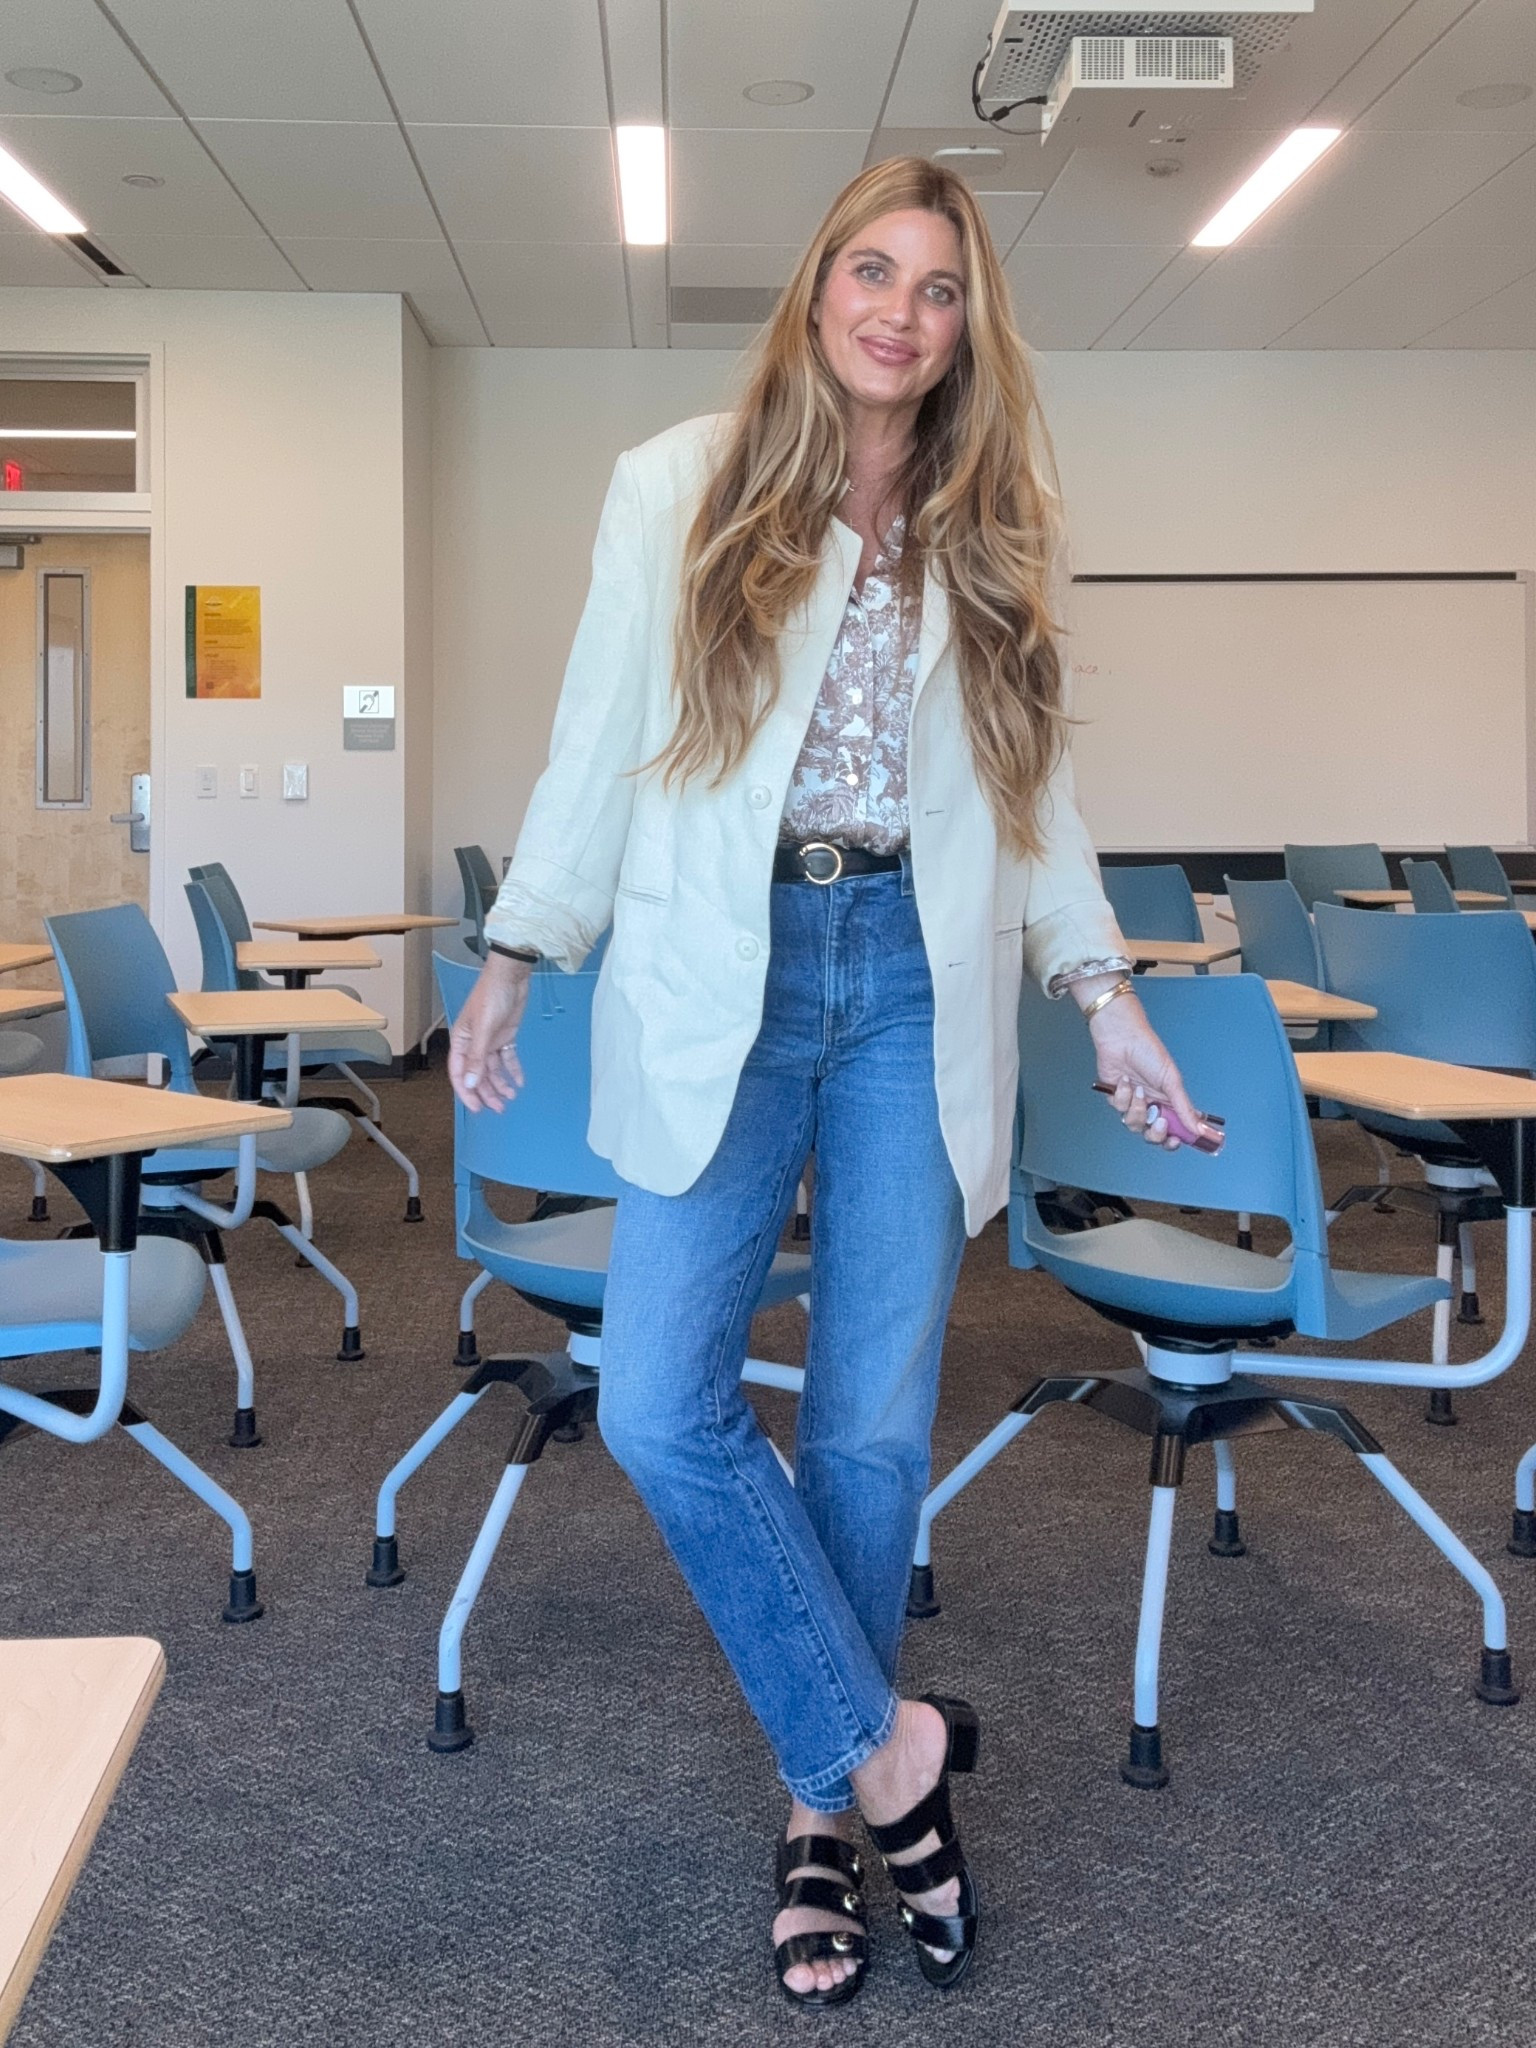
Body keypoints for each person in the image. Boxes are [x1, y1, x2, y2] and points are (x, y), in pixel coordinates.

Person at [449, 155, 1215, 2010]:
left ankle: (822, 1821)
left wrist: (1103, 990)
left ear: (966, 331)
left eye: (937, 288)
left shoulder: (988, 519)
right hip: (732, 968)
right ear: (815, 293)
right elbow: (598, 740)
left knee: (870, 1428)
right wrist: (511, 955)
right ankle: (890, 1755)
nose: (899, 309)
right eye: (871, 271)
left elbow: (1033, 795)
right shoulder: (677, 487)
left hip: (908, 980)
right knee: (658, 1402)